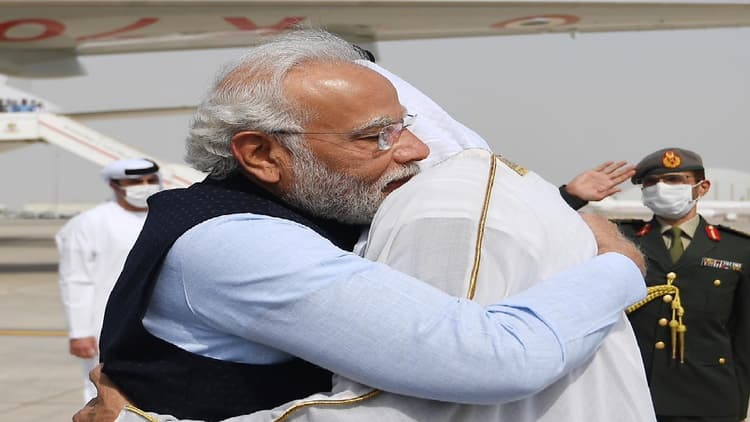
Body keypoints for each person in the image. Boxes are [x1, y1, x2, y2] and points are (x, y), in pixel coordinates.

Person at [83, 29, 646, 422]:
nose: (416, 150)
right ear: (261, 154)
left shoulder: (308, 208)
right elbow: (497, 359)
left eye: (404, 126)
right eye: (376, 136)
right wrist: (620, 265)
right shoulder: (236, 244)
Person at [615, 147, 750, 422]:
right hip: (634, 395)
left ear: (702, 187)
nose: (661, 188)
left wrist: (737, 402)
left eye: (674, 180)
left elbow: (744, 338)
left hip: (709, 399)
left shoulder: (738, 249)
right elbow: (557, 229)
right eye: (651, 182)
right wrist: (573, 195)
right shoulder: (620, 239)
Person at [56, 158, 160, 403]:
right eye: (136, 181)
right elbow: (76, 280)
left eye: (151, 180)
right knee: (105, 396)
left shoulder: (166, 217)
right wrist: (80, 332)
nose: (145, 186)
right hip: (108, 327)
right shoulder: (89, 223)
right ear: (115, 185)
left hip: (163, 327)